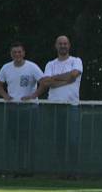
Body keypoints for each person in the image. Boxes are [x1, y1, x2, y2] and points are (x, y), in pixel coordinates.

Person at [24, 35, 84, 176]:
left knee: (73, 140)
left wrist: (55, 78)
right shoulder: (50, 64)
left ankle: (73, 171)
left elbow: (74, 74)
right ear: (56, 46)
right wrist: (65, 80)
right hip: (54, 106)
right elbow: (45, 82)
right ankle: (61, 171)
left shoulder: (76, 61)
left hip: (71, 105)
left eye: (65, 43)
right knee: (59, 140)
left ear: (69, 45)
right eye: (60, 43)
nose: (63, 46)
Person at [0, 42, 44, 173]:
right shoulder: (6, 68)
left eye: (19, 52)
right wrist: (5, 96)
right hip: (13, 108)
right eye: (14, 52)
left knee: (30, 139)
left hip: (30, 108)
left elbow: (44, 82)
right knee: (15, 139)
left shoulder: (32, 67)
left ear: (24, 53)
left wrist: (33, 95)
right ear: (11, 54)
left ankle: (30, 168)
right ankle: (17, 168)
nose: (17, 55)